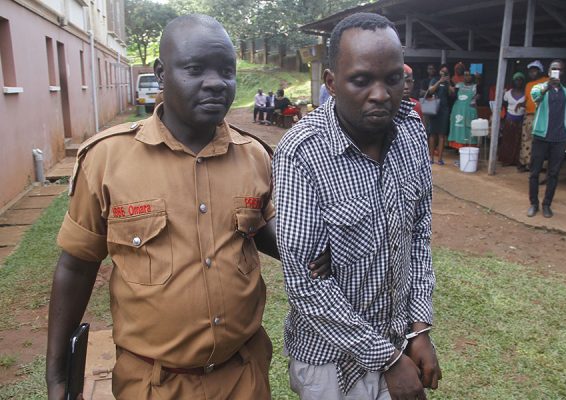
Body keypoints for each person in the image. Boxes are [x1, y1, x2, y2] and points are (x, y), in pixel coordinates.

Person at [45, 14, 331, 400]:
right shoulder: (107, 159)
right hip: (152, 384)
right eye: (195, 69)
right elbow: (76, 266)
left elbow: (260, 228)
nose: (215, 82)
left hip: (243, 377)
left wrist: (310, 247)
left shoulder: (255, 156)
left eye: (227, 71)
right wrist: (58, 374)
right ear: (161, 74)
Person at [273, 12, 441, 400]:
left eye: (393, 79)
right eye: (362, 80)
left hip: (400, 340)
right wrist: (389, 361)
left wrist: (419, 329)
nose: (381, 94)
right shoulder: (302, 153)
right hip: (330, 364)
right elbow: (306, 286)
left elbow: (418, 234)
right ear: (332, 83)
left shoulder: (411, 131)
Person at [527, 60, 566, 218]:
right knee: (534, 172)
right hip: (541, 136)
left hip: (559, 137)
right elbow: (536, 98)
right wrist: (547, 86)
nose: (556, 71)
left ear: (563, 72)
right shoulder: (539, 87)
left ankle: (547, 204)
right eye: (553, 69)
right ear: (548, 71)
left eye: (559, 69)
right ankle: (534, 204)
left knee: (553, 173)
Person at [519, 60, 549, 171]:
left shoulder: (546, 81)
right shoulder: (528, 85)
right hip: (529, 115)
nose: (532, 73)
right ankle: (526, 163)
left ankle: (542, 165)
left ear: (540, 71)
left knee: (542, 141)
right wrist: (521, 104)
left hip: (542, 116)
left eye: (534, 71)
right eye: (530, 71)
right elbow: (528, 100)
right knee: (526, 140)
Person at [426, 64, 455, 165]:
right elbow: (430, 91)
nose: (444, 73)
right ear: (439, 71)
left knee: (441, 134)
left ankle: (440, 159)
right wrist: (439, 82)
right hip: (434, 108)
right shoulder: (434, 80)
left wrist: (448, 82)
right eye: (442, 71)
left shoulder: (448, 82)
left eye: (446, 72)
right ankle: (431, 158)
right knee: (432, 133)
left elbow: (452, 94)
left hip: (444, 110)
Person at [498, 72, 526, 166]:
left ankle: (516, 160)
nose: (518, 82)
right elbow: (504, 105)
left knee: (519, 141)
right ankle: (506, 160)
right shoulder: (508, 93)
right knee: (508, 140)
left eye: (520, 80)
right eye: (516, 80)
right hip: (510, 120)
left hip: (521, 120)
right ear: (513, 81)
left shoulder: (526, 93)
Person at [448, 69, 479, 149]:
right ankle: (458, 149)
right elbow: (453, 96)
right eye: (465, 75)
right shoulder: (458, 85)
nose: (467, 77)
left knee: (468, 130)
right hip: (458, 111)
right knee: (458, 129)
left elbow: (478, 98)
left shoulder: (475, 87)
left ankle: (469, 148)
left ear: (472, 76)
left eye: (469, 75)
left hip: (469, 111)